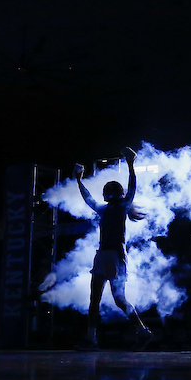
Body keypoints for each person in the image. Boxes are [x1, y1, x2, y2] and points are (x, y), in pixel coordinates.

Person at [74, 148, 149, 348]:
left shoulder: (123, 206)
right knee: (97, 299)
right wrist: (78, 180)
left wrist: (131, 163)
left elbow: (132, 187)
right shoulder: (104, 209)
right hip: (106, 255)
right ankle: (92, 338)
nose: (104, 193)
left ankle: (141, 330)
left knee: (116, 299)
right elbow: (88, 198)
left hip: (115, 256)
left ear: (114, 192)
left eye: (107, 190)